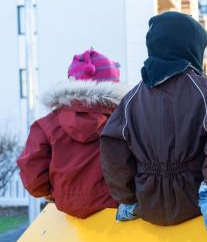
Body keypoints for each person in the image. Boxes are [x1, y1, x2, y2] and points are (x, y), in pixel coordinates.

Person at [100, 12, 207, 234]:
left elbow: (113, 154)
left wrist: (127, 197)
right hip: (197, 203)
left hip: (149, 204)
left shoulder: (131, 101)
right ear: (190, 49)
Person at [17, 49, 129, 218]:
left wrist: (53, 192)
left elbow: (33, 177)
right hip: (115, 210)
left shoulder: (46, 125)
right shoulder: (126, 121)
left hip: (67, 208)